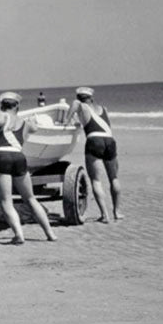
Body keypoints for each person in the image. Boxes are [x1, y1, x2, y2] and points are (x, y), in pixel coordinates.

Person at [0, 92, 57, 244]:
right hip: (19, 157)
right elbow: (35, 128)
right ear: (17, 106)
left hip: (0, 157)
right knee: (31, 199)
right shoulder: (25, 123)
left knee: (6, 201)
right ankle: (50, 233)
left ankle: (19, 235)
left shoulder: (2, 116)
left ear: (2, 106)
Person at [64, 86, 120, 222]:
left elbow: (74, 107)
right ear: (92, 98)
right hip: (110, 141)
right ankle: (117, 212)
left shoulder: (80, 106)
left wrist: (66, 121)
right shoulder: (103, 109)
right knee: (114, 178)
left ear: (79, 98)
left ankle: (105, 215)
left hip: (94, 140)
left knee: (96, 180)